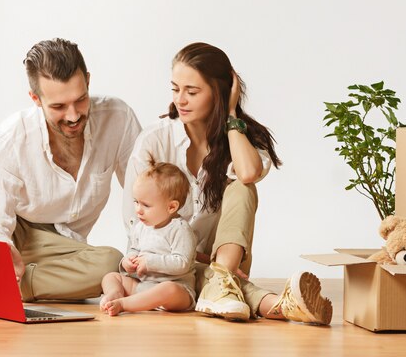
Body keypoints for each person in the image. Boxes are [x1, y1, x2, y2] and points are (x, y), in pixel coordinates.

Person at [0, 38, 141, 313]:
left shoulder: (117, 118)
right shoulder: (11, 139)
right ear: (35, 99)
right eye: (58, 107)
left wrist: (147, 254)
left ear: (88, 82)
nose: (73, 116)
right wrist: (1, 250)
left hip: (61, 245)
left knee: (111, 264)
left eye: (80, 100)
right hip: (3, 225)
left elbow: (143, 191)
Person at [122, 42, 332, 324]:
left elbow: (247, 174)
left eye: (192, 91)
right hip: (167, 259)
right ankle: (277, 305)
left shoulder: (242, 138)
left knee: (243, 187)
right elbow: (135, 219)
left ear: (219, 92)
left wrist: (231, 117)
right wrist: (183, 254)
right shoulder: (153, 140)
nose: (180, 100)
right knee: (213, 278)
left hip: (224, 255)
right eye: (175, 89)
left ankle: (222, 276)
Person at [100, 159, 196, 316]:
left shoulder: (180, 229)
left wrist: (149, 262)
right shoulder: (141, 227)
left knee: (168, 289)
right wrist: (128, 260)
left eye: (146, 205)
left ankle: (124, 304)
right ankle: (116, 294)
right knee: (111, 277)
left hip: (176, 290)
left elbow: (182, 263)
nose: (138, 210)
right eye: (136, 202)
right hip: (144, 286)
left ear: (171, 207)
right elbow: (134, 248)